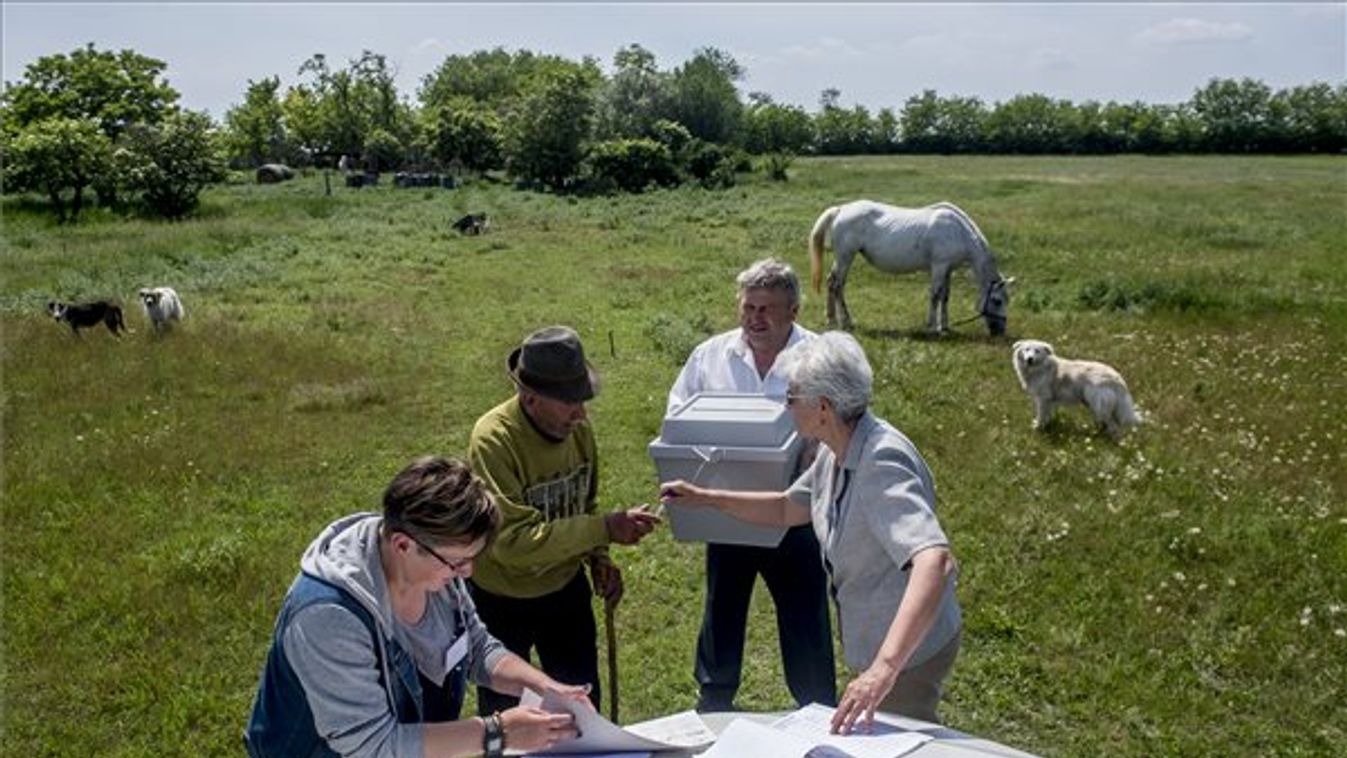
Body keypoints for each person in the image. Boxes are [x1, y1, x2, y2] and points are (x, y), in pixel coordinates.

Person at [662, 331, 962, 733]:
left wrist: (883, 670)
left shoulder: (880, 461)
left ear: (822, 406)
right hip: (877, 641)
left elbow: (934, 560)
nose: (785, 407)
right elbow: (788, 506)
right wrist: (707, 497)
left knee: (900, 744)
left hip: (908, 655)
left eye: (791, 398)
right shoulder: (835, 449)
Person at [245, 455, 588, 758]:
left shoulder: (434, 565)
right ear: (403, 545)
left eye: (472, 558)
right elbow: (373, 746)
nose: (466, 573)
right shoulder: (328, 617)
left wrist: (542, 686)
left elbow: (477, 649)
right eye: (457, 562)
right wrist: (498, 732)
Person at [666, 257, 836, 712]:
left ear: (793, 312)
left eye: (767, 309)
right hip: (730, 510)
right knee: (722, 607)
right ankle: (714, 700)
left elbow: (840, 422)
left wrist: (815, 453)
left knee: (804, 612)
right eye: (748, 307)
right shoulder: (710, 356)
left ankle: (816, 706)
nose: (755, 319)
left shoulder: (819, 357)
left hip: (796, 512)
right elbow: (677, 416)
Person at [468, 325, 661, 716]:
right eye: (570, 402)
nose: (581, 413)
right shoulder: (494, 440)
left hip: (564, 592)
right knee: (509, 719)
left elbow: (583, 504)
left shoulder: (577, 431)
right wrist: (604, 528)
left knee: (581, 708)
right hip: (503, 599)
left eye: (583, 399)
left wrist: (599, 558)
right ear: (531, 398)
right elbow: (511, 544)